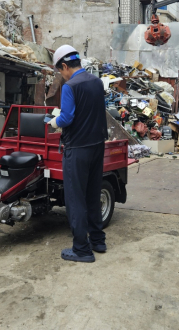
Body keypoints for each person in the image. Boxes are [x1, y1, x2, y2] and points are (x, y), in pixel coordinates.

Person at [47, 45, 108, 263]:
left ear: (64, 66)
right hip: (97, 146)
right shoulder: (96, 82)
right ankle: (98, 241)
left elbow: (67, 118)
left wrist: (54, 122)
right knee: (92, 195)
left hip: (78, 149)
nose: (61, 76)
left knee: (76, 199)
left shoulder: (70, 87)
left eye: (60, 71)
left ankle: (82, 249)